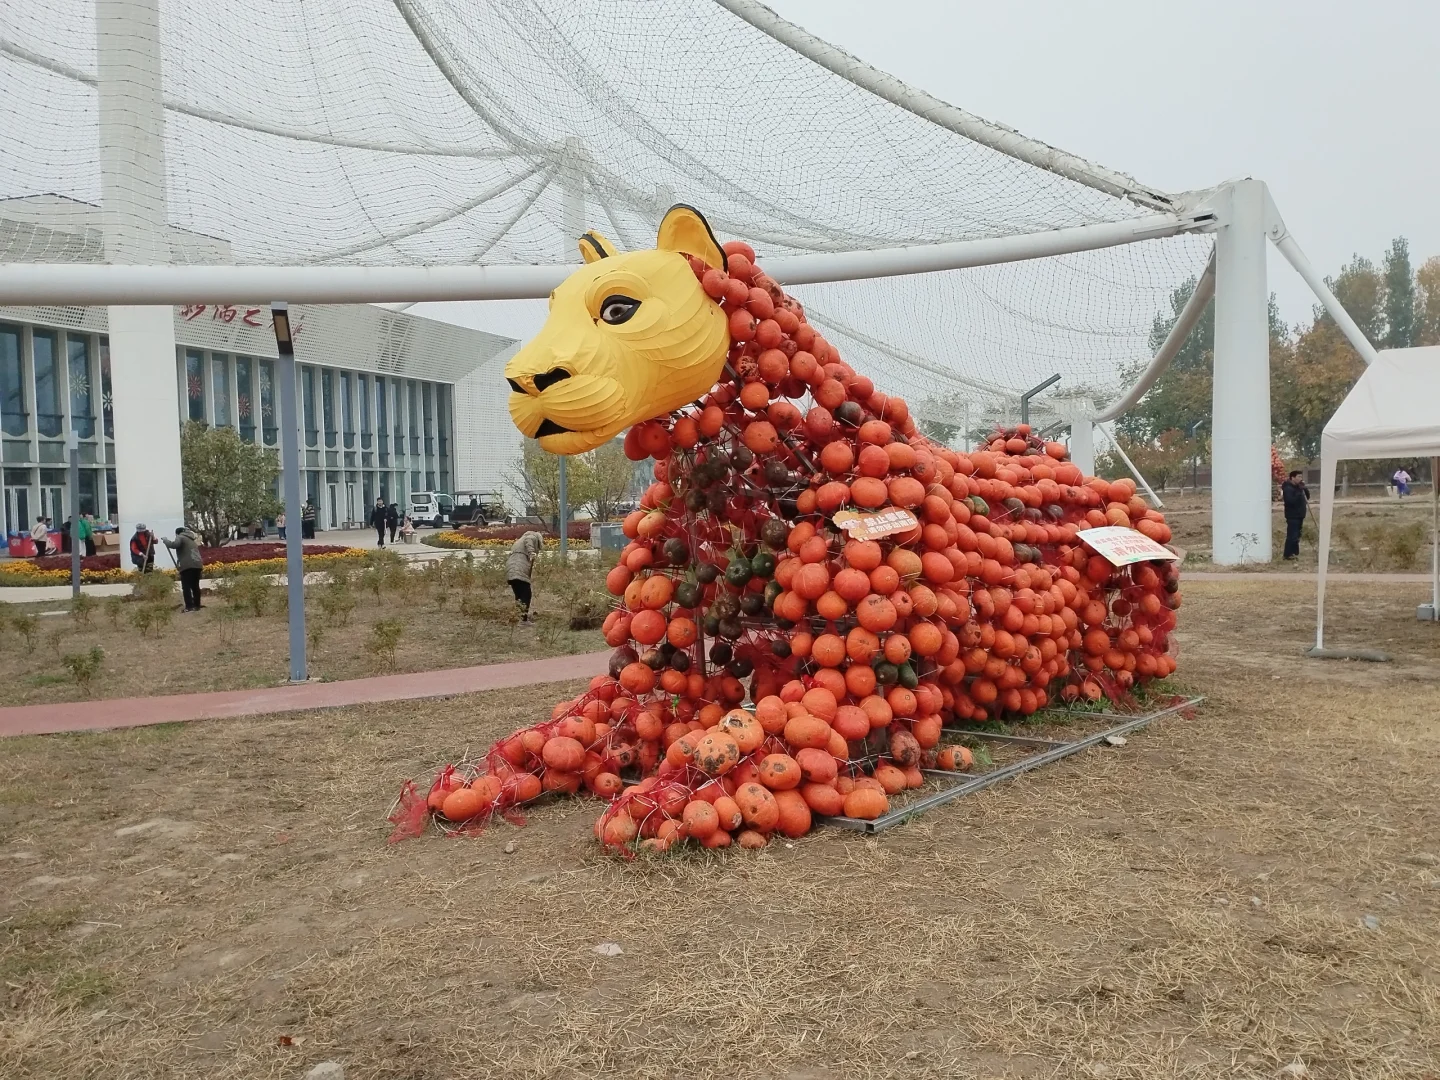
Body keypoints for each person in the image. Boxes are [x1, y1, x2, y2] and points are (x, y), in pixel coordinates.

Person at [163, 526, 205, 611]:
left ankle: (189, 606)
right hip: (197, 565)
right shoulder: (191, 539)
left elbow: (174, 545)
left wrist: (165, 540)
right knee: (195, 586)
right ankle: (197, 605)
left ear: (177, 533)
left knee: (186, 586)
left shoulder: (180, 537)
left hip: (188, 566)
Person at [506, 530, 543, 622]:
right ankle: (523, 620)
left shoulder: (519, 540)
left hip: (511, 568)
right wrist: (532, 552)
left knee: (519, 595)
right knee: (526, 594)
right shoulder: (532, 537)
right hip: (519, 567)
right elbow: (529, 540)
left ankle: (519, 617)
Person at [1281, 469, 1309, 561]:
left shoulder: (1298, 488)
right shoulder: (1288, 488)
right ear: (1292, 478)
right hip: (1292, 515)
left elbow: (1307, 497)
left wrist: (1304, 489)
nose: (1300, 479)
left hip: (1300, 515)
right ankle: (1288, 554)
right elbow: (1290, 501)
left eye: (1301, 477)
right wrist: (1298, 492)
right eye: (1298, 477)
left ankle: (1294, 553)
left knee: (1297, 536)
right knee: (1292, 536)